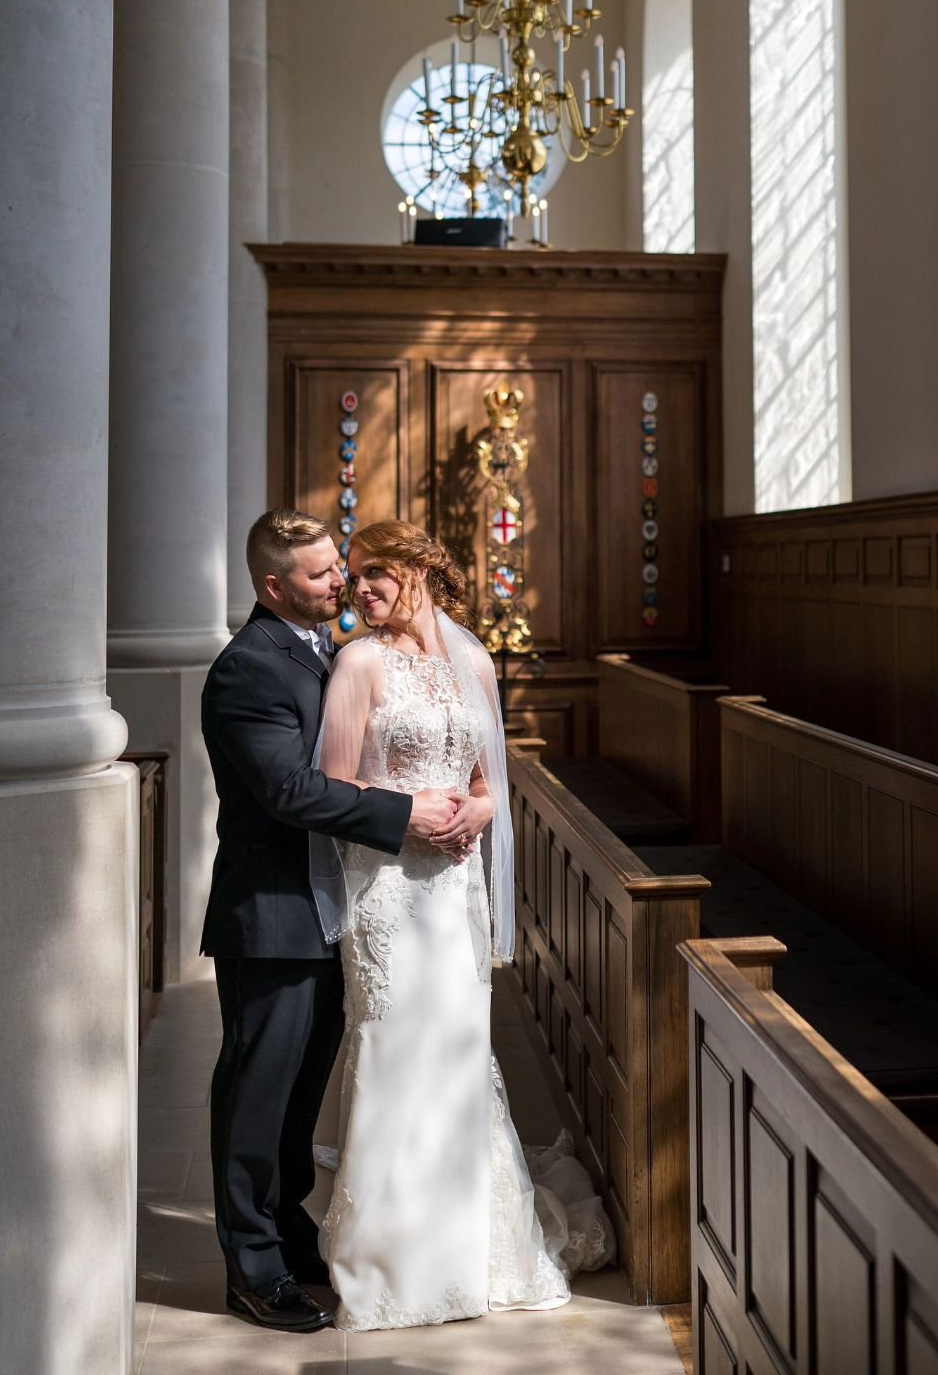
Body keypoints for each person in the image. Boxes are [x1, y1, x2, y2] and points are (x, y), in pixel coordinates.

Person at [315, 518, 611, 1331]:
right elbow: (334, 790)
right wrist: (407, 817)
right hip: (384, 890)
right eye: (355, 574)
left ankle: (473, 1249)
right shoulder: (358, 663)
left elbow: (490, 782)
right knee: (390, 1045)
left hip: (451, 890)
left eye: (376, 572)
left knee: (455, 1052)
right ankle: (389, 1261)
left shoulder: (474, 661)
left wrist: (471, 814)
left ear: (418, 571)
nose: (361, 589)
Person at [200, 508, 460, 1334]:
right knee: (256, 1093)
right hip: (270, 911)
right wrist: (403, 813)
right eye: (320, 575)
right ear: (274, 587)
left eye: (336, 568)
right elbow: (288, 792)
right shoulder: (249, 668)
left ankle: (288, 1233)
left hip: (328, 906)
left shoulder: (325, 648)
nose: (340, 581)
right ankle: (253, 1267)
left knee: (300, 1092)